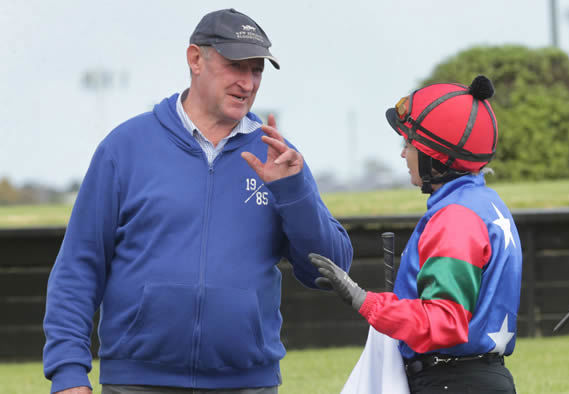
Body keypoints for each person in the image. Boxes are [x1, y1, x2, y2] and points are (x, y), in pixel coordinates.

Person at [43, 8, 353, 394]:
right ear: (195, 60)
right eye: (235, 66)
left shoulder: (279, 156)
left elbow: (332, 270)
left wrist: (294, 193)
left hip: (247, 384)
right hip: (136, 382)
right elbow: (79, 266)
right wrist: (68, 373)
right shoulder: (124, 148)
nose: (248, 82)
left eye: (256, 70)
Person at [310, 75, 522, 393]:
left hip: (449, 382)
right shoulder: (488, 204)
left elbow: (444, 322)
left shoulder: (455, 218)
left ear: (435, 156)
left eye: (409, 143)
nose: (403, 154)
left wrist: (363, 300)